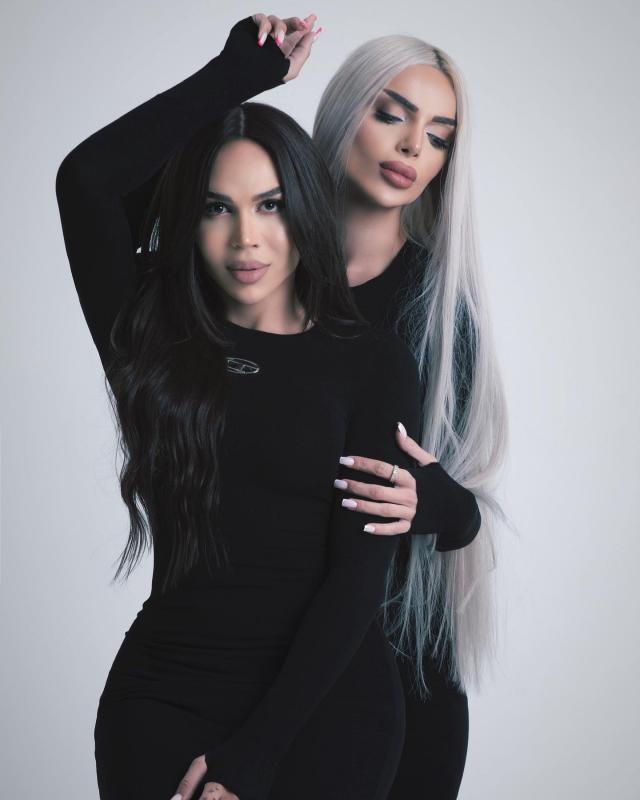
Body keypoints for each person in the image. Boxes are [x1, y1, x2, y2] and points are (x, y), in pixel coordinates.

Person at [55, 13, 426, 800]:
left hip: (328, 710)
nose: (246, 239)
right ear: (188, 221)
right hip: (165, 698)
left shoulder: (371, 362)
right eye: (217, 208)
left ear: (305, 213)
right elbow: (87, 183)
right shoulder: (151, 336)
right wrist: (235, 80)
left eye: (271, 205)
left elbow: (357, 583)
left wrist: (254, 756)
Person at [309, 25, 510, 799]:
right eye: (391, 114)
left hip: (402, 672)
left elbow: (462, 511)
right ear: (344, 112)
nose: (411, 146)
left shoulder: (439, 307)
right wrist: (235, 79)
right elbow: (103, 202)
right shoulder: (254, 274)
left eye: (438, 135)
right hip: (263, 661)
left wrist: (437, 503)